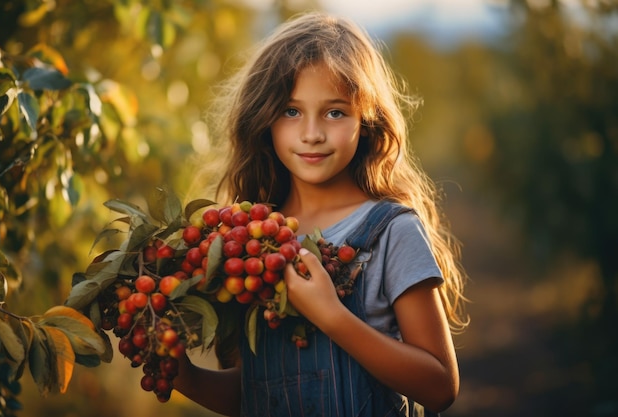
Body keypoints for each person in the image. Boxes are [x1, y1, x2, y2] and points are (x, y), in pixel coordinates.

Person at [175, 11, 468, 417]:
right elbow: (252, 394)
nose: (312, 133)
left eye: (334, 112)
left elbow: (440, 388)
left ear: (365, 122)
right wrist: (183, 376)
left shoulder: (391, 231)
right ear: (264, 120)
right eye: (291, 111)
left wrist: (333, 317)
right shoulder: (248, 241)